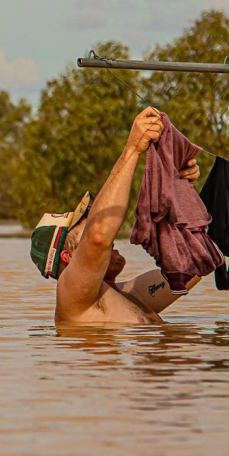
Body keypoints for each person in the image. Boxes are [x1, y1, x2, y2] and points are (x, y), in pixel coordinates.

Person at [29, 107, 202, 324]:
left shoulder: (130, 292)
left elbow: (193, 263)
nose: (97, 226)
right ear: (69, 257)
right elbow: (98, 235)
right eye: (85, 224)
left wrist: (182, 190)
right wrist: (132, 149)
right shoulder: (71, 292)